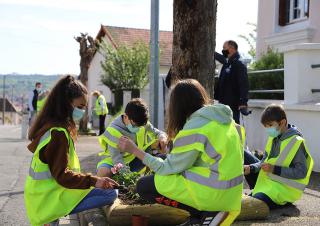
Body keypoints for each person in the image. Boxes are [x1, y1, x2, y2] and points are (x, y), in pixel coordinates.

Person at [118, 79, 244, 226]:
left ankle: (204, 213)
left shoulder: (195, 128)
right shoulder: (229, 122)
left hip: (213, 195)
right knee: (163, 158)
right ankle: (199, 219)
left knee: (144, 186)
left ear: (177, 106)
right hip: (232, 195)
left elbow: (166, 168)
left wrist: (135, 150)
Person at [24, 75, 118, 226]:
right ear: (66, 104)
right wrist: (94, 181)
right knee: (110, 193)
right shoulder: (58, 134)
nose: (82, 111)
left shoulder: (51, 127)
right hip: (50, 202)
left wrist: (94, 181)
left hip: (43, 199)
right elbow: (62, 175)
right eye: (80, 106)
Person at [244, 104, 314, 209]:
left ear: (282, 122)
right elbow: (264, 161)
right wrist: (251, 168)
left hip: (284, 190)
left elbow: (301, 172)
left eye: (270, 125)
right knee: (247, 200)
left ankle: (260, 196)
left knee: (252, 203)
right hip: (268, 185)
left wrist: (274, 169)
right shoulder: (273, 137)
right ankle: (256, 193)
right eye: (266, 126)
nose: (268, 129)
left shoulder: (296, 142)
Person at [97, 98, 168, 178]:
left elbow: (157, 133)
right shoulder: (113, 132)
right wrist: (129, 179)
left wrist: (163, 138)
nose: (138, 128)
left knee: (158, 145)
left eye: (140, 126)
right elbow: (118, 161)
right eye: (134, 125)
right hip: (115, 163)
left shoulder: (140, 122)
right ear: (126, 116)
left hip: (137, 158)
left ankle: (152, 177)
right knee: (103, 172)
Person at [214, 40, 249, 123]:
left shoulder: (239, 64)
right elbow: (222, 58)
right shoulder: (228, 62)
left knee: (233, 126)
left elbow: (243, 84)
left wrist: (243, 102)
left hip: (233, 103)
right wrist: (213, 53)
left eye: (224, 48)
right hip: (223, 102)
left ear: (232, 48)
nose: (223, 50)